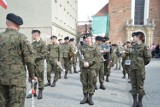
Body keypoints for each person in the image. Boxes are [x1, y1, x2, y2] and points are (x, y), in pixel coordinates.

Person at [0, 13, 36, 107]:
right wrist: (32, 76)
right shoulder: (22, 38)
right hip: (17, 81)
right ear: (19, 25)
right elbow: (29, 60)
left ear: (6, 23)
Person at [130, 31, 151, 107]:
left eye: (134, 36)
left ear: (138, 37)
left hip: (140, 69)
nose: (133, 38)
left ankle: (140, 101)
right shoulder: (133, 46)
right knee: (133, 85)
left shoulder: (144, 46)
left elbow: (148, 58)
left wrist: (141, 64)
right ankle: (134, 101)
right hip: (132, 69)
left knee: (140, 86)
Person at [27, 30, 47, 99]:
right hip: (32, 64)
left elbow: (44, 54)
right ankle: (33, 92)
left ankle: (40, 92)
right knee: (33, 78)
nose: (32, 36)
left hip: (39, 64)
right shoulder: (32, 44)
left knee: (40, 78)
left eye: (32, 35)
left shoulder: (43, 43)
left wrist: (35, 57)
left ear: (36, 35)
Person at [79, 33, 98, 105]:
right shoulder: (81, 47)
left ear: (91, 39)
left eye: (88, 38)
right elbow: (80, 56)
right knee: (84, 82)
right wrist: (84, 62)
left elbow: (97, 57)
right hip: (83, 68)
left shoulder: (95, 47)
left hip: (92, 68)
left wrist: (89, 63)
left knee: (91, 82)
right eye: (85, 38)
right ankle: (85, 97)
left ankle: (90, 98)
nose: (86, 39)